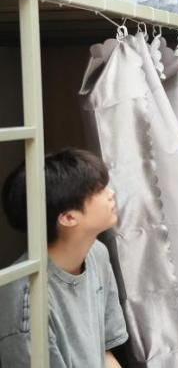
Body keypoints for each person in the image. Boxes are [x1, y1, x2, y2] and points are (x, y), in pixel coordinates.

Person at [0, 148, 128, 368]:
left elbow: (105, 354)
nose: (111, 193)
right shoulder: (27, 302)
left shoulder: (96, 253)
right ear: (68, 217)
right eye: (99, 190)